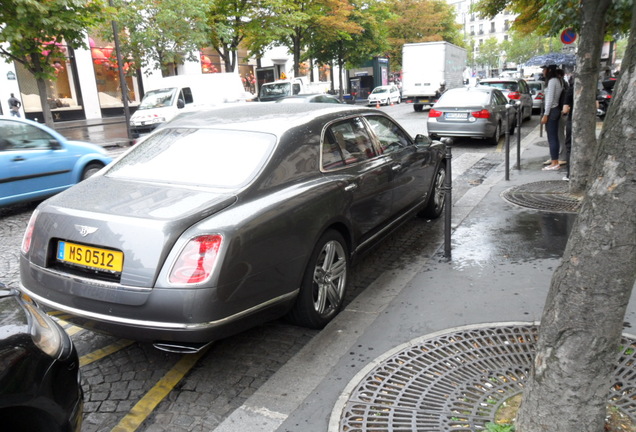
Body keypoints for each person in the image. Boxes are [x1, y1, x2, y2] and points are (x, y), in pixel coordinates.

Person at [540, 64, 564, 171]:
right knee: (554, 137)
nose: (543, 71)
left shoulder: (552, 81)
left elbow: (550, 100)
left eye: (544, 69)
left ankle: (554, 162)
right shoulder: (559, 80)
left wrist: (545, 115)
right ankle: (555, 161)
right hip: (556, 110)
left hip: (552, 111)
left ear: (549, 70)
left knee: (552, 137)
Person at [561, 75, 575, 180]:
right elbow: (596, 105)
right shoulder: (592, 90)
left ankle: (569, 174)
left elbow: (565, 109)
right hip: (586, 122)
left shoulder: (570, 90)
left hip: (572, 120)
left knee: (569, 146)